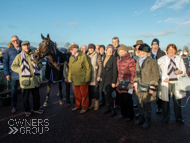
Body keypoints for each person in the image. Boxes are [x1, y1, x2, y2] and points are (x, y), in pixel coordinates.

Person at [11, 41, 43, 117]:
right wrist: (22, 70)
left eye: (27, 45)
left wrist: (37, 63)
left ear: (29, 46)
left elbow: (40, 65)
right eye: (24, 46)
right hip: (26, 80)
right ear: (22, 47)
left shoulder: (35, 55)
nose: (26, 47)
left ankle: (36, 108)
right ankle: (27, 110)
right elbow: (13, 66)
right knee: (25, 97)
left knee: (36, 96)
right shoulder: (19, 56)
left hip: (35, 79)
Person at [157, 44, 186, 124]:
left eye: (173, 49)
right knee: (165, 101)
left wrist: (180, 72)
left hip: (176, 82)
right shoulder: (161, 59)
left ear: (175, 50)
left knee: (177, 100)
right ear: (166, 50)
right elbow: (158, 72)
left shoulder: (180, 59)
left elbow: (183, 71)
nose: (171, 51)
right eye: (169, 49)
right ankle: (165, 117)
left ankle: (179, 117)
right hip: (166, 82)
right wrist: (163, 78)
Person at [133, 43, 159, 129]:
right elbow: (136, 74)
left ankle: (148, 119)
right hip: (139, 86)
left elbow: (155, 75)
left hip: (148, 86)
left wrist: (152, 86)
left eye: (141, 51)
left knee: (147, 104)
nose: (139, 52)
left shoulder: (152, 61)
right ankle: (141, 117)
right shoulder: (138, 60)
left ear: (146, 52)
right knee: (140, 103)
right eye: (139, 51)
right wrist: (135, 84)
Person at [68, 44, 91, 114]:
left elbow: (88, 67)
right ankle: (77, 106)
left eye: (71, 50)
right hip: (75, 79)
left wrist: (87, 78)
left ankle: (84, 107)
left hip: (83, 79)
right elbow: (70, 68)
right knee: (76, 94)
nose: (70, 51)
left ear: (76, 49)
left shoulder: (83, 56)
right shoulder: (71, 57)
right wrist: (69, 77)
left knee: (84, 94)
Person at [116, 45, 136, 121]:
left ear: (125, 52)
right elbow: (118, 73)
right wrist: (117, 82)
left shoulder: (131, 60)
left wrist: (131, 84)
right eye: (120, 52)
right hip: (121, 83)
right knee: (121, 100)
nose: (121, 53)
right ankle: (123, 114)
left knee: (128, 100)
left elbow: (133, 73)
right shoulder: (118, 60)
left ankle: (130, 115)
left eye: (122, 51)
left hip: (128, 83)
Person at [3, 35, 22, 114]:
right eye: (13, 41)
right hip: (13, 74)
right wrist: (7, 74)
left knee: (25, 91)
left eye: (16, 40)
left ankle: (26, 106)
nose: (16, 42)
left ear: (19, 40)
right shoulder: (8, 51)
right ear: (11, 42)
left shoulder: (23, 49)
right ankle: (13, 106)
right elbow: (5, 62)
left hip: (23, 74)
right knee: (14, 91)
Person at [100, 44, 117, 117]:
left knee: (109, 95)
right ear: (106, 51)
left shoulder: (113, 58)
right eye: (108, 50)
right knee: (106, 95)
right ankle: (108, 108)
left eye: (111, 50)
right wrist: (100, 76)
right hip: (104, 79)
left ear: (112, 51)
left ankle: (113, 110)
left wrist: (113, 82)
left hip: (109, 80)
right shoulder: (104, 57)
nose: (109, 51)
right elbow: (103, 68)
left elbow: (115, 71)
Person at [150, 38, 166, 114]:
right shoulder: (148, 53)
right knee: (150, 92)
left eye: (156, 45)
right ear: (151, 45)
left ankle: (160, 107)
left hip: (160, 75)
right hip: (150, 76)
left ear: (158, 45)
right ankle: (147, 108)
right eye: (153, 45)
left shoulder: (163, 53)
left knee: (160, 92)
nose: (155, 46)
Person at [87, 44, 102, 110]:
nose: (91, 49)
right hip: (89, 76)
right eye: (90, 48)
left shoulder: (97, 55)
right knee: (90, 91)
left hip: (95, 76)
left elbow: (100, 66)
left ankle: (97, 104)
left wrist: (99, 75)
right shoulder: (86, 56)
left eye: (92, 48)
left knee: (96, 91)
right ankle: (92, 104)